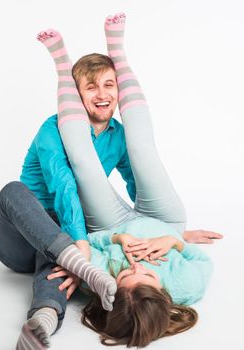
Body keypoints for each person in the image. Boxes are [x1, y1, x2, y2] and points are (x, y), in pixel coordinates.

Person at [36, 12, 223, 348]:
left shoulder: (101, 282)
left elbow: (90, 243)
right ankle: (118, 52)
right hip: (165, 220)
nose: (136, 264)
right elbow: (201, 260)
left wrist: (115, 240)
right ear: (165, 292)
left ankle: (63, 69)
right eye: (148, 273)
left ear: (113, 288)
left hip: (114, 224)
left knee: (84, 165)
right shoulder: (186, 287)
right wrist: (176, 239)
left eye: (125, 273)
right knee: (142, 147)